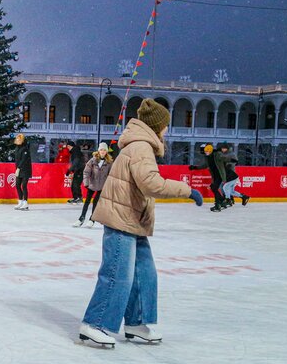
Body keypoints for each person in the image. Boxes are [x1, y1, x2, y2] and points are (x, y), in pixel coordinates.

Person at [78, 98, 203, 348]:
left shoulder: (140, 145)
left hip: (133, 220)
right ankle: (94, 324)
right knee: (117, 274)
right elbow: (151, 184)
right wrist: (186, 190)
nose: (167, 129)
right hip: (121, 219)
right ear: (156, 126)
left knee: (144, 273)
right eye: (165, 125)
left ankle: (135, 323)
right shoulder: (141, 147)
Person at [73, 142, 113, 227]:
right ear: (98, 151)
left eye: (104, 150)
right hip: (92, 185)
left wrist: (108, 185)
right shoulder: (92, 160)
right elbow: (86, 172)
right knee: (87, 202)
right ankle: (81, 218)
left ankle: (92, 220)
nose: (102, 151)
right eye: (101, 150)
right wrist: (86, 183)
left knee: (96, 202)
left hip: (102, 186)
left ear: (106, 152)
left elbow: (111, 175)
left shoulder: (109, 162)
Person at [189, 143, 226, 211]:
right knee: (213, 188)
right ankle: (222, 201)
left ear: (211, 151)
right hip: (215, 175)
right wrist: (195, 167)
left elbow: (222, 163)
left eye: (208, 151)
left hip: (220, 175)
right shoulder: (208, 158)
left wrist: (224, 178)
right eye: (205, 152)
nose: (206, 153)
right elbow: (205, 165)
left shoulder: (217, 155)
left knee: (214, 188)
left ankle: (218, 204)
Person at [13, 133, 32, 211]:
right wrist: (17, 168)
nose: (18, 140)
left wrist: (18, 168)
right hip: (19, 169)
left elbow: (24, 160)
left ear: (22, 140)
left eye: (19, 139)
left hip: (25, 170)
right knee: (17, 185)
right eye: (17, 138)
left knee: (24, 185)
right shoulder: (17, 148)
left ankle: (25, 203)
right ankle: (20, 201)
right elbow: (17, 160)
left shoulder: (25, 149)